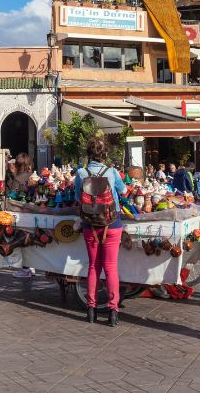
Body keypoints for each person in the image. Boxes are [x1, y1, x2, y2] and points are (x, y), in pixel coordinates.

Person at [75, 136, 127, 327]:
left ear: (88, 153)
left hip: (90, 224)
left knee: (93, 267)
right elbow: (123, 191)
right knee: (111, 267)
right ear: (105, 154)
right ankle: (113, 311)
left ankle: (91, 310)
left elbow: (77, 197)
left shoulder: (81, 172)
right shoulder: (112, 172)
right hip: (112, 224)